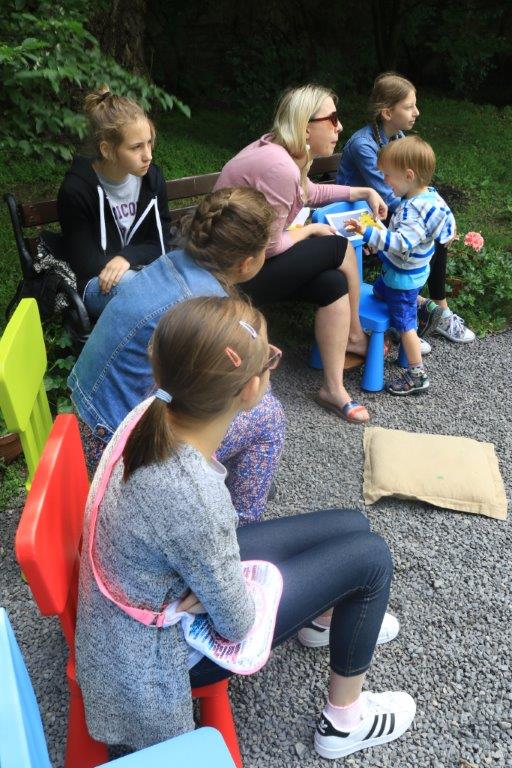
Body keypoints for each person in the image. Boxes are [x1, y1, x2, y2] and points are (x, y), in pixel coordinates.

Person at [76, 295, 416, 760]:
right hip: (156, 658)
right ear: (251, 389)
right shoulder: (194, 493)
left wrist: (210, 586)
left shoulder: (151, 411)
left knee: (353, 524)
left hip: (137, 606)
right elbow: (237, 625)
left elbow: (186, 535)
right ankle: (344, 722)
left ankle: (326, 619)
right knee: (371, 559)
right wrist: (218, 592)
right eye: (271, 359)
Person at [68, 187, 285, 524]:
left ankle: (241, 478)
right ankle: (242, 525)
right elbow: (214, 394)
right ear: (247, 263)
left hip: (88, 418)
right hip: (114, 447)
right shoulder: (204, 309)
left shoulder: (172, 261)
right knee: (268, 415)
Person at [215, 84, 391, 424]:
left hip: (249, 264)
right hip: (232, 276)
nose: (340, 127)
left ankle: (333, 388)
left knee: (331, 283)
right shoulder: (278, 166)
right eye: (333, 119)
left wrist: (363, 191)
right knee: (338, 246)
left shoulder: (284, 152)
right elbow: (269, 246)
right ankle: (355, 336)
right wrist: (310, 231)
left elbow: (310, 192)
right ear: (306, 127)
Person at [337, 71, 474, 344]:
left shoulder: (397, 137)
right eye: (409, 106)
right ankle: (414, 314)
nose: (417, 112)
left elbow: (414, 187)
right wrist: (431, 215)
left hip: (385, 213)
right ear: (387, 113)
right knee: (426, 231)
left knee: (432, 231)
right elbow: (391, 195)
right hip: (358, 217)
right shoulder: (364, 145)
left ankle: (435, 310)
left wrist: (440, 215)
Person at [347, 136, 456, 395]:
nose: (385, 181)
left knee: (405, 325)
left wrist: (368, 232)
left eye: (388, 175)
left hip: (402, 277)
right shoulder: (431, 196)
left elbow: (401, 243)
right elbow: (448, 221)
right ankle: (423, 304)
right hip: (413, 273)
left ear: (408, 175)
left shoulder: (412, 212)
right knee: (378, 291)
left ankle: (417, 375)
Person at [58, 84, 171, 318]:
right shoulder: (77, 190)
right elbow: (85, 263)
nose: (148, 155)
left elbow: (161, 243)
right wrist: (131, 263)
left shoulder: (152, 180)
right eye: (136, 147)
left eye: (149, 143)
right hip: (97, 284)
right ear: (107, 150)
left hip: (141, 272)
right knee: (142, 289)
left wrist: (127, 257)